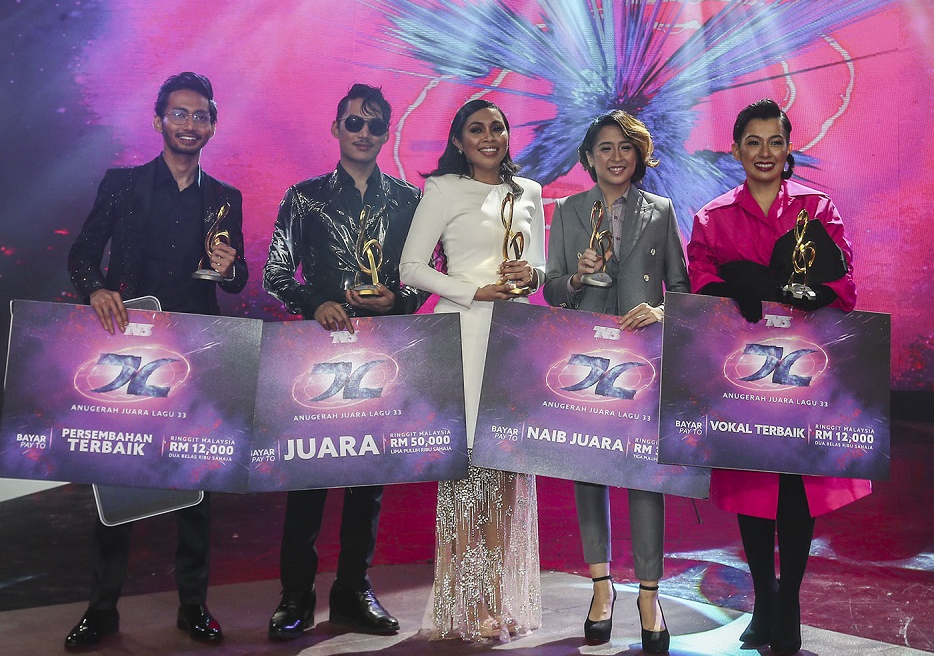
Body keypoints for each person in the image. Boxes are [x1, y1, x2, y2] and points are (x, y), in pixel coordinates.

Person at [65, 71, 247, 648]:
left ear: (213, 124)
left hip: (194, 354)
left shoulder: (225, 198)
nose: (190, 124)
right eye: (180, 113)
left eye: (201, 116)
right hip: (129, 353)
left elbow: (236, 281)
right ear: (158, 120)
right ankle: (102, 610)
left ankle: (193, 606)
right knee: (115, 487)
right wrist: (94, 288)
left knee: (195, 488)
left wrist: (227, 267)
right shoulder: (121, 184)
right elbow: (83, 255)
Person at [687, 98, 872, 655]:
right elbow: (699, 279)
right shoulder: (713, 217)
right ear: (737, 149)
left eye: (774, 141)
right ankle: (763, 597)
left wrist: (811, 293)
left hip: (803, 374)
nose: (764, 152)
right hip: (741, 376)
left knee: (795, 487)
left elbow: (845, 284)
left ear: (789, 148)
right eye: (753, 141)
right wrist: (728, 290)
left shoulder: (818, 209)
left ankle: (787, 598)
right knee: (753, 484)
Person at [262, 83, 425, 640]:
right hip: (316, 351)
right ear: (335, 129)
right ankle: (295, 595)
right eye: (353, 123)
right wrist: (318, 301)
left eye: (374, 125)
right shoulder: (302, 197)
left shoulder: (409, 201)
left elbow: (429, 272)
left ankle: (354, 590)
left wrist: (399, 301)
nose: (363, 133)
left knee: (368, 479)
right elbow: (276, 273)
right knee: (307, 475)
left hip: (380, 349)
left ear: (386, 134)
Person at [542, 109, 688, 653]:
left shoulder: (661, 211)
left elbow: (681, 288)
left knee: (647, 477)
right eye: (605, 147)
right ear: (588, 158)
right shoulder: (568, 212)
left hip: (643, 360)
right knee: (590, 471)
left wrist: (658, 310)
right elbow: (554, 293)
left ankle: (649, 594)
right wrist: (578, 275)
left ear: (640, 155)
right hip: (586, 363)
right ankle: (602, 588)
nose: (616, 156)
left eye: (625, 147)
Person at [399, 99, 544, 642]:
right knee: (465, 482)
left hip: (515, 340)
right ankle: (469, 601)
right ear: (459, 140)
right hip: (463, 337)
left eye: (498, 127)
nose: (489, 137)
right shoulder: (442, 190)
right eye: (476, 129)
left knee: (505, 480)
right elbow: (410, 267)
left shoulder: (527, 192)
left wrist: (530, 274)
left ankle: (497, 595)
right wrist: (471, 289)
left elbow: (542, 270)